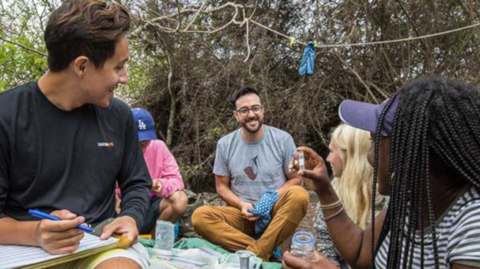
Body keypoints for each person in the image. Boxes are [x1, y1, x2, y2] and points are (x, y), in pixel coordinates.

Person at [0, 1, 151, 268]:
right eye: (118, 67)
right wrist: (34, 233)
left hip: (100, 243)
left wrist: (130, 217)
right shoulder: (6, 114)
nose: (124, 77)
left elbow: (137, 183)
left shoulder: (119, 115)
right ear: (81, 66)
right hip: (20, 247)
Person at [283, 77, 480, 269]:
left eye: (374, 143)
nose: (369, 157)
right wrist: (324, 188)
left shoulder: (472, 225)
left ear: (406, 151)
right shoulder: (408, 200)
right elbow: (360, 253)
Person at [191, 86, 309, 261]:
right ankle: (266, 252)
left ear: (262, 110)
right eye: (244, 110)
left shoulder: (283, 139)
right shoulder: (225, 144)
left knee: (300, 195)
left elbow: (297, 179)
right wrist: (241, 205)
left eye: (255, 108)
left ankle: (255, 254)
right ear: (236, 115)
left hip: (276, 210)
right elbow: (221, 187)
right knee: (199, 216)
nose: (251, 114)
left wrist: (271, 198)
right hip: (242, 213)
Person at [314, 124, 386, 268]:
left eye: (331, 151)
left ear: (349, 156)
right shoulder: (330, 198)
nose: (327, 159)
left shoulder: (386, 201)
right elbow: (326, 252)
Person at [116, 108, 188, 235]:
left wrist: (160, 185)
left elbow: (177, 181)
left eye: (144, 144)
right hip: (123, 206)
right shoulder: (114, 149)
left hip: (151, 204)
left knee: (180, 199)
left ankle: (154, 239)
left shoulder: (158, 147)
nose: (141, 149)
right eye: (137, 143)